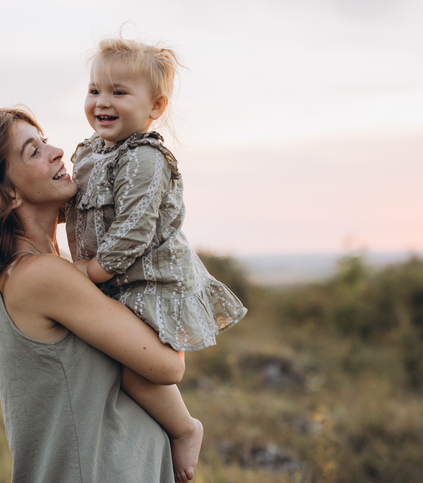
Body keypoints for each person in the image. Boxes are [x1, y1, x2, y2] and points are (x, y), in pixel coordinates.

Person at [0, 107, 184, 483]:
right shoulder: (43, 275)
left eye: (44, 140)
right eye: (33, 152)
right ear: (4, 194)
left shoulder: (35, 270)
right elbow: (168, 366)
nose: (57, 151)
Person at [67, 38, 248, 483]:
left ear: (156, 106)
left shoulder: (145, 159)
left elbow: (134, 230)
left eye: (118, 92)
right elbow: (75, 202)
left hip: (149, 282)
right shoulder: (91, 152)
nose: (102, 102)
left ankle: (185, 428)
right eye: (95, 90)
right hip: (116, 282)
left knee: (136, 372)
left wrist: (89, 273)